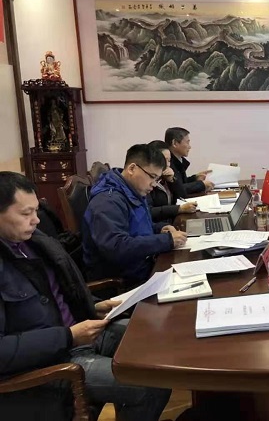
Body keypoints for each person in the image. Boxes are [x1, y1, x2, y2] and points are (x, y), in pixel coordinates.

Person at [0, 172, 171, 421]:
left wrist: (93, 304)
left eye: (36, 210)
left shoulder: (33, 241)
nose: (36, 220)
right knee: (150, 383)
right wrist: (68, 336)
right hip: (49, 361)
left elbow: (58, 292)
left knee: (156, 338)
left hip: (77, 333)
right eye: (26, 214)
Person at [81, 144, 187, 287]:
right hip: (124, 281)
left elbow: (135, 225)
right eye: (152, 177)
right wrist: (166, 240)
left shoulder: (131, 189)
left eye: (157, 179)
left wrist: (160, 229)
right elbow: (117, 247)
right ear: (132, 168)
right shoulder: (107, 201)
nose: (154, 184)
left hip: (143, 266)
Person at [147, 140, 197, 223]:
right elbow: (149, 211)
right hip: (159, 226)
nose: (167, 164)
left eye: (169, 160)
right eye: (164, 160)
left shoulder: (165, 177)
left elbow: (182, 196)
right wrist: (179, 209)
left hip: (172, 221)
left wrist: (172, 180)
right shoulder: (147, 181)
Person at [165, 127, 214, 196]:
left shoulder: (178, 161)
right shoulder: (167, 163)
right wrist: (201, 184)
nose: (189, 147)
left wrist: (195, 178)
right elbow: (178, 190)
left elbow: (181, 183)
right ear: (175, 143)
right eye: (187, 142)